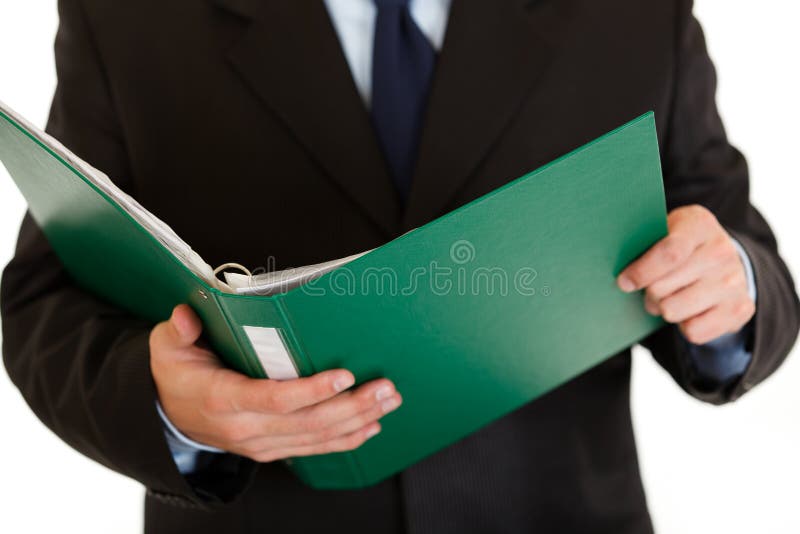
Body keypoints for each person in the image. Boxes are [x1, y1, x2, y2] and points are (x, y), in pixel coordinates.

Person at [2, 0, 798, 532]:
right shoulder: (128, 16)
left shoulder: (634, 11)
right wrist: (170, 410)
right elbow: (46, 299)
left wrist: (731, 286)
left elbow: (735, 240)